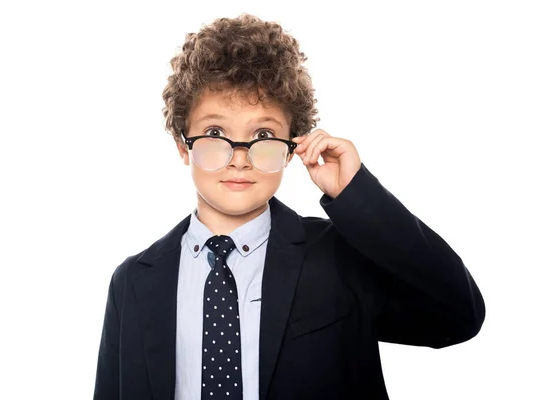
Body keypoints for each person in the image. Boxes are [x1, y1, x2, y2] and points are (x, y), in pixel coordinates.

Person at [93, 13, 485, 400]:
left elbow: (458, 315)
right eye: (215, 133)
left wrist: (356, 194)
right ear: (183, 145)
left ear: (292, 145)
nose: (239, 158)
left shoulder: (338, 256)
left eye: (263, 134)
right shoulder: (132, 282)